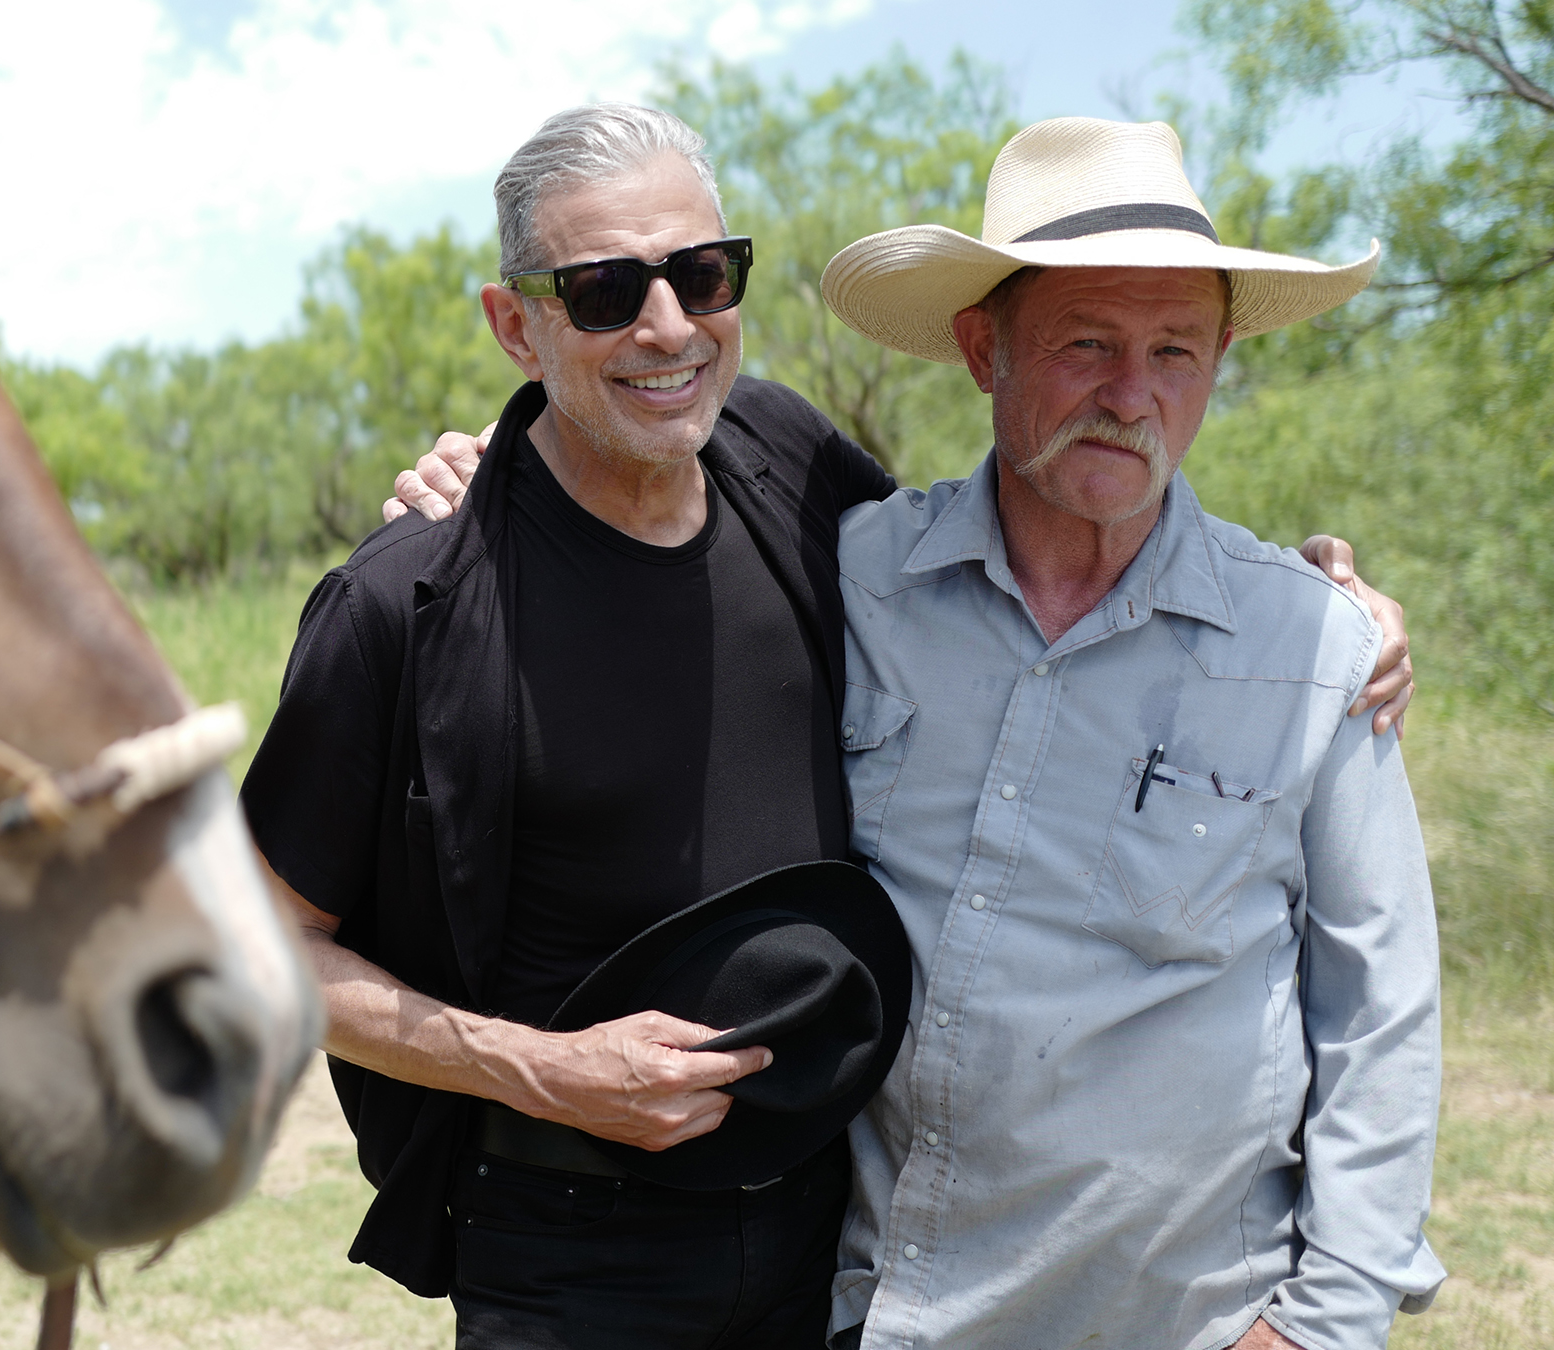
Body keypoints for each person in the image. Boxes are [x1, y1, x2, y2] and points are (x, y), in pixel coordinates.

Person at [388, 116, 1438, 1350]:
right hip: (879, 1314)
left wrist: (1326, 1327)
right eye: (1086, 344)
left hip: (1192, 1323)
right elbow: (626, 452)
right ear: (981, 346)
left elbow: (1382, 1015)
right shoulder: (857, 572)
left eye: (1177, 350)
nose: (1131, 393)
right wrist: (487, 475)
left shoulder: (1316, 653)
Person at [240, 104, 908, 1348]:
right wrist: (544, 1068)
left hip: (842, 1230)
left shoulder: (790, 460)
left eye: (703, 275)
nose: (668, 328)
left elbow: (1000, 595)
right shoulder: (404, 604)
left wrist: (1303, 600)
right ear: (516, 326)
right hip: (571, 1258)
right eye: (602, 291)